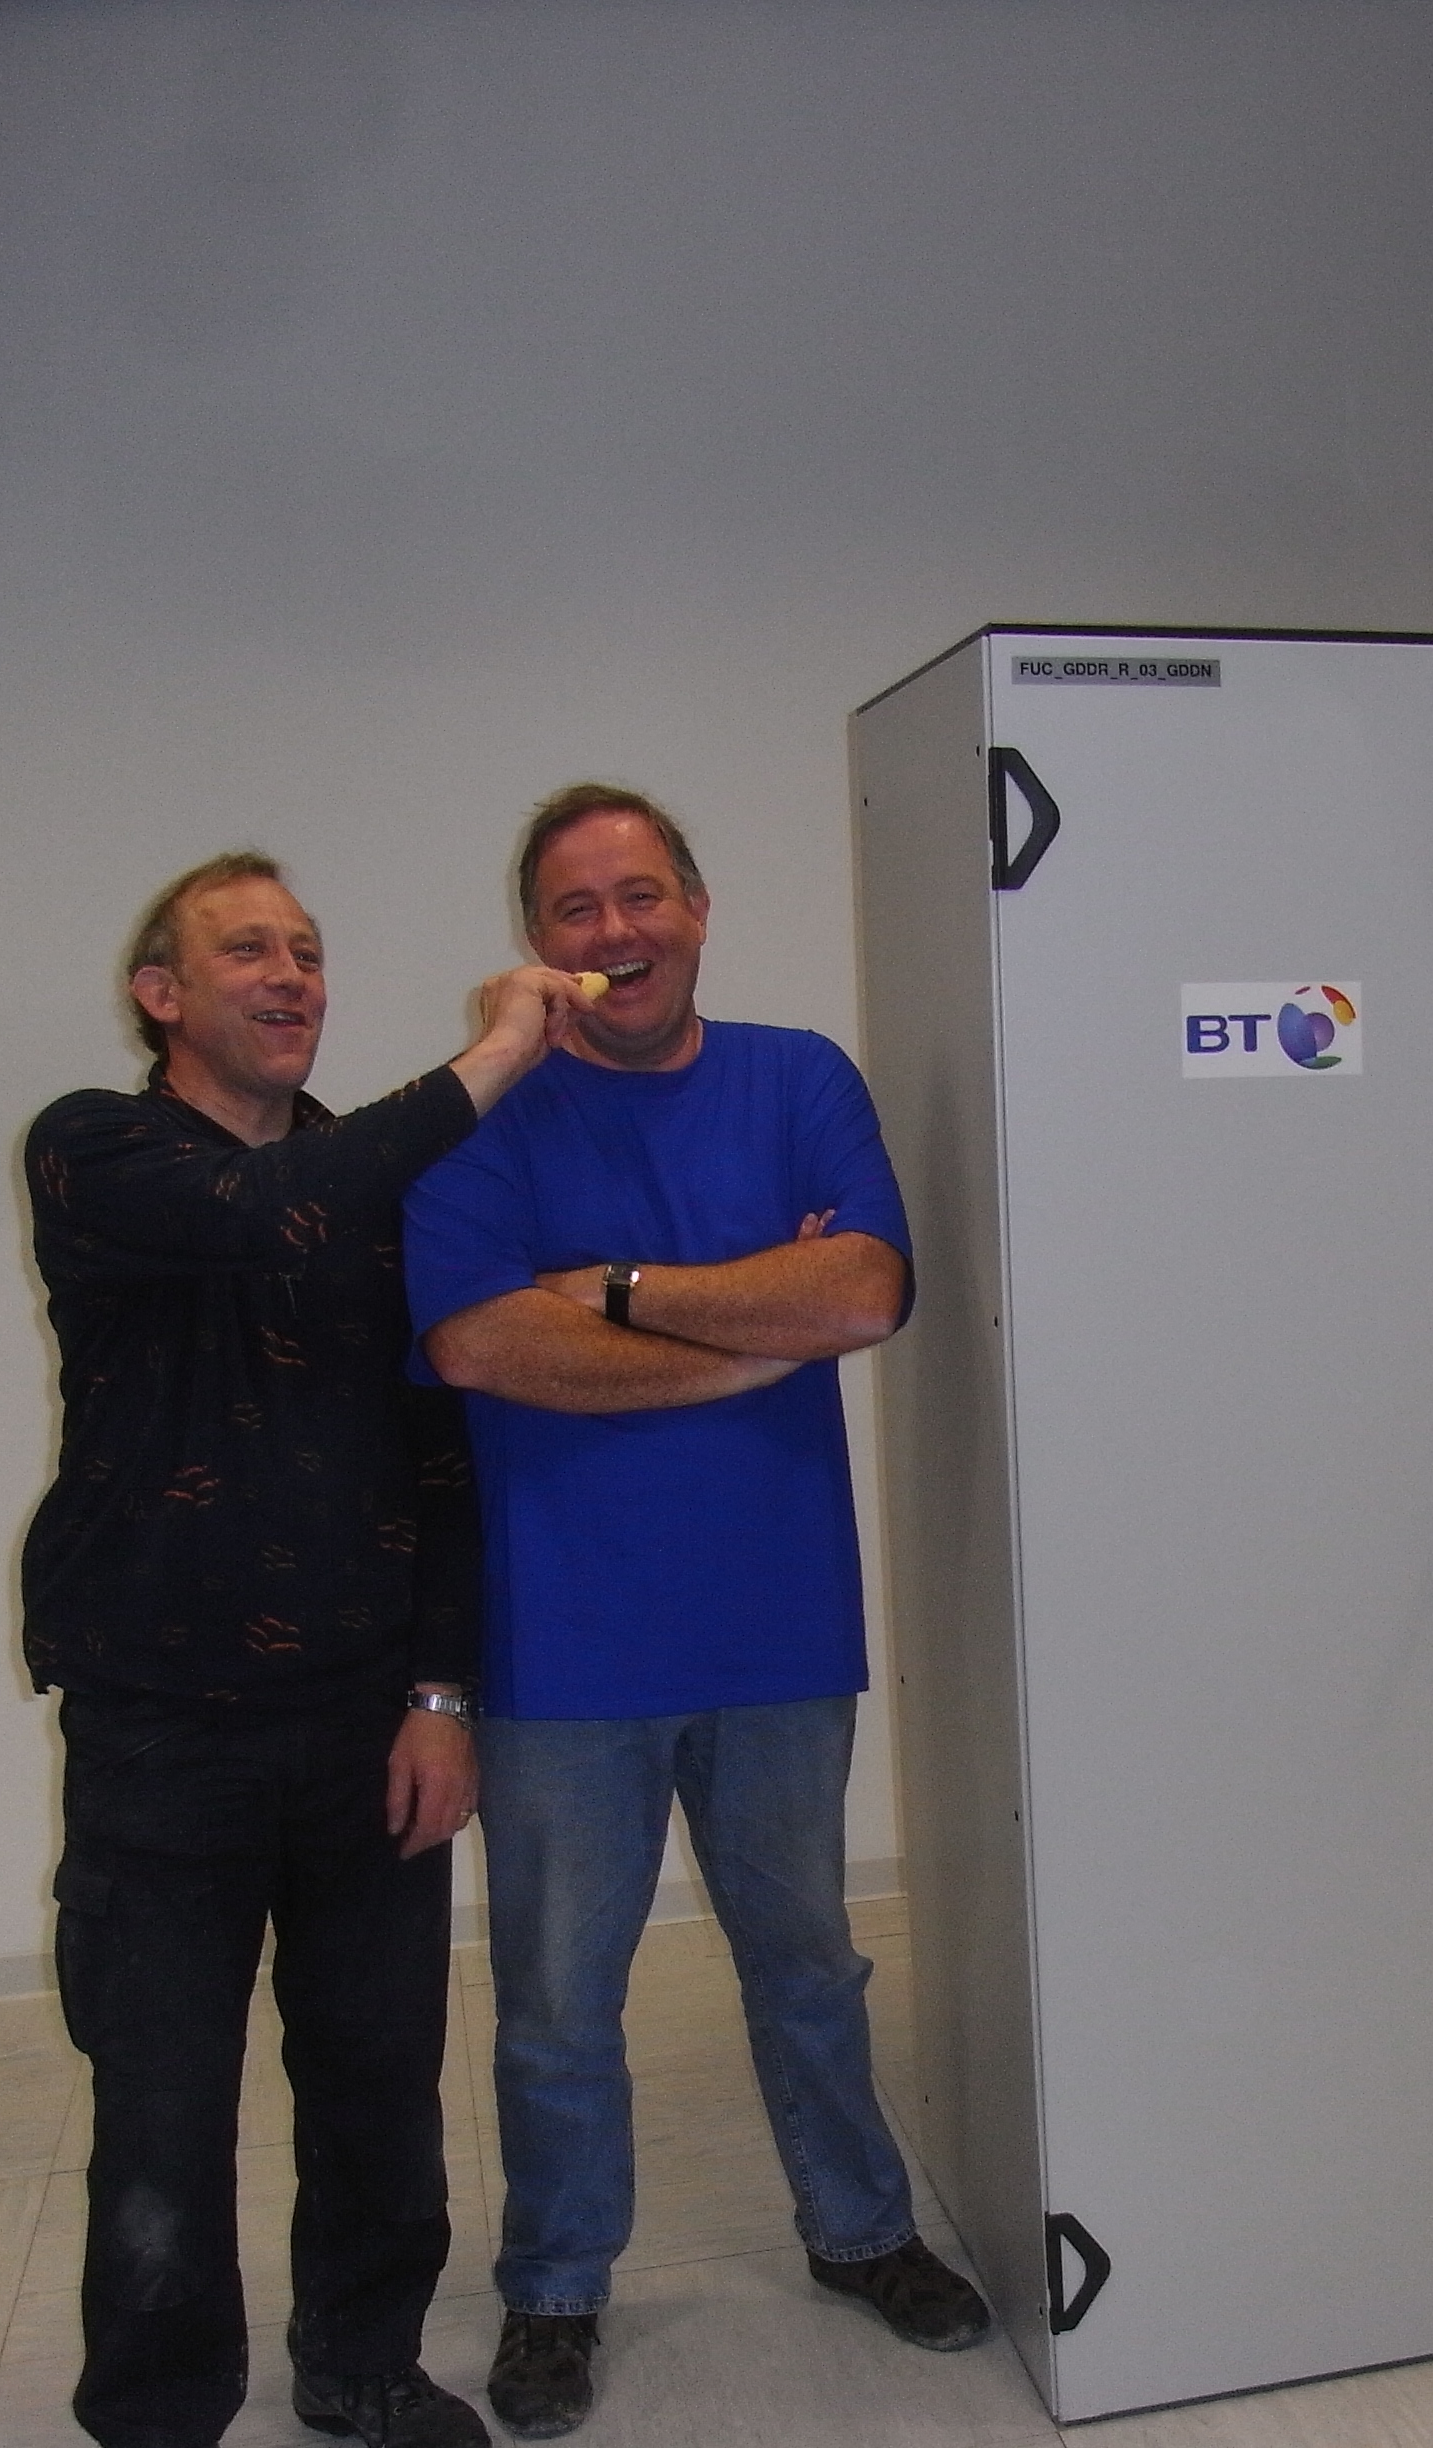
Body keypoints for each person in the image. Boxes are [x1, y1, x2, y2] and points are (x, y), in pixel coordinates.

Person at [405, 784, 988, 2440]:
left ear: (699, 908)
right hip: (562, 1641)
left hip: (778, 1629)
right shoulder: (483, 1119)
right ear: (539, 942)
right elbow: (480, 1344)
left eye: (643, 895)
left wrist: (613, 1291)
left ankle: (861, 2233)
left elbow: (864, 1287)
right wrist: (749, 1338)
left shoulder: (801, 1079)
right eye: (578, 910)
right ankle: (556, 2286)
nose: (617, 932)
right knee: (556, 2006)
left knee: (809, 1964)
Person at [22, 850, 582, 2448]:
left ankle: (362, 2363)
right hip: (159, 1729)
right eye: (248, 950)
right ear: (161, 995)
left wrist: (442, 1694)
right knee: (163, 2106)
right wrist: (498, 1054)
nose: (291, 977)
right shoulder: (97, 1148)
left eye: (310, 952)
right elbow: (261, 1215)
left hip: (363, 1723)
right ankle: (158, 2413)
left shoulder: (381, 1183)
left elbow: (440, 1457)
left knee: (378, 2084)